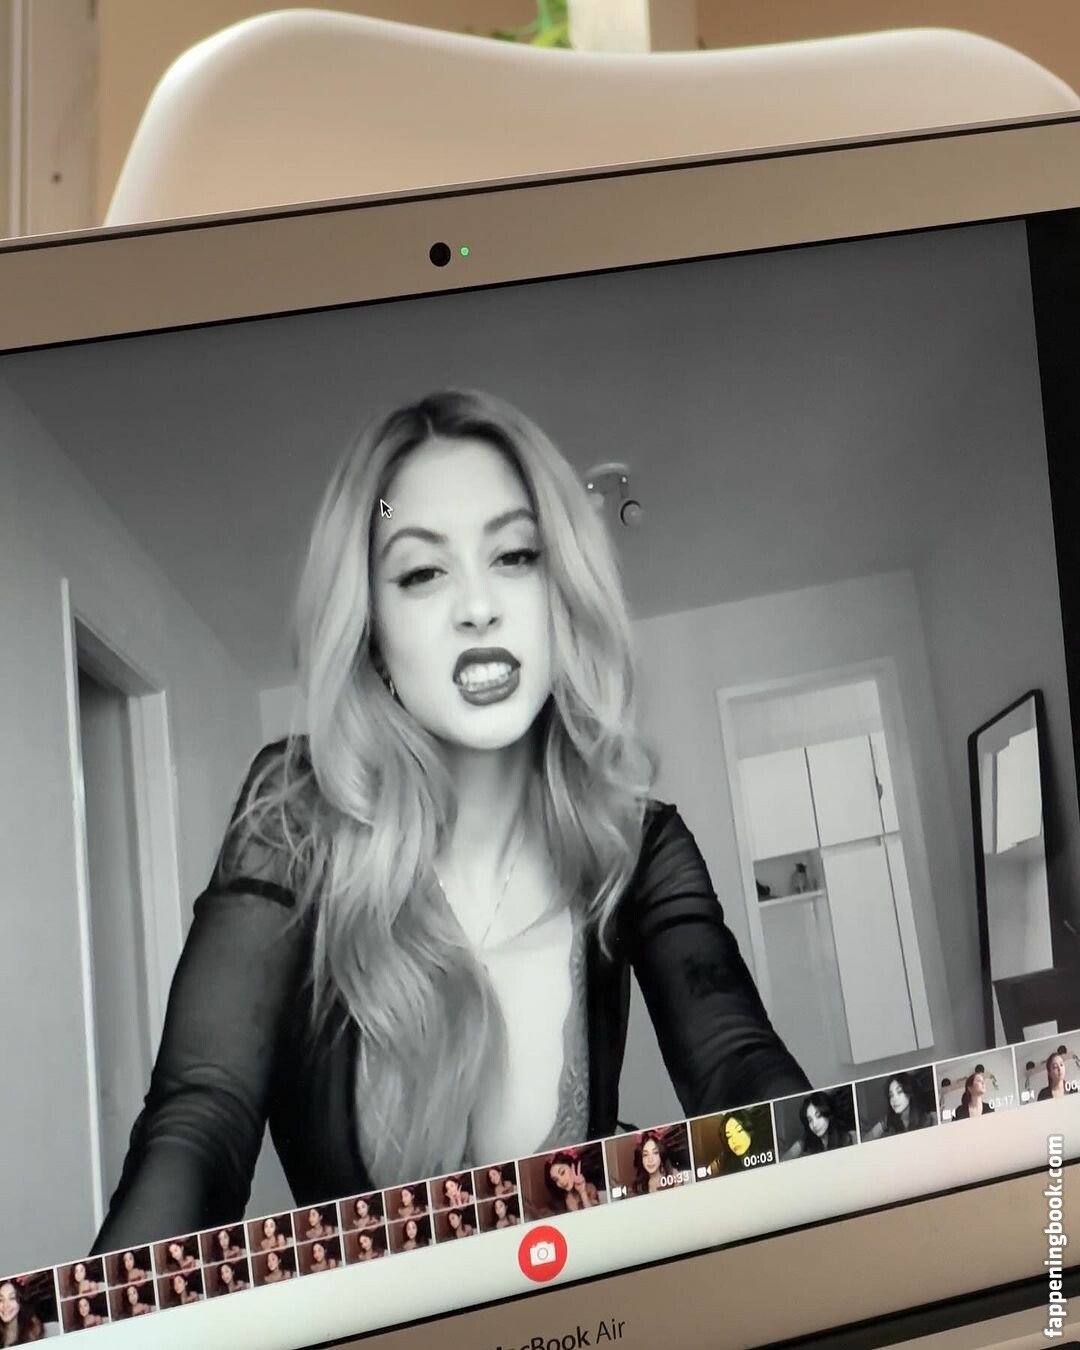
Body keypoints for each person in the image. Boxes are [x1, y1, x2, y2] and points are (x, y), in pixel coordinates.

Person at [92, 390, 808, 1252]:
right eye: (422, 572)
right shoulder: (295, 820)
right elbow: (200, 1122)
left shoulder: (640, 844)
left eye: (515, 555)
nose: (477, 605)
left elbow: (736, 1065)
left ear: (562, 595)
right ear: (372, 632)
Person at [862, 1073, 937, 1139]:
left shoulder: (929, 1118)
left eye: (899, 1092)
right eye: (891, 1095)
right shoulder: (888, 1120)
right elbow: (866, 1139)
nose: (894, 1099)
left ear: (909, 1093)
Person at [783, 1092, 855, 1158]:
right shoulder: (803, 1143)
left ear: (828, 1113)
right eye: (810, 1120)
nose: (814, 1125)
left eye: (819, 1116)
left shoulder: (850, 1136)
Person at [631, 1130, 683, 1195]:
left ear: (661, 1154)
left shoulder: (673, 1175)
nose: (650, 1159)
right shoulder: (639, 1185)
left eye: (655, 1153)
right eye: (645, 1155)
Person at [0, 1280, 44, 1345]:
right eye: (1, 1300)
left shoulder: (32, 1329)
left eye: (12, 1298)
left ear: (21, 1301)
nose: (5, 1305)